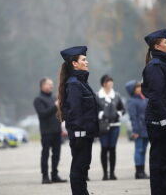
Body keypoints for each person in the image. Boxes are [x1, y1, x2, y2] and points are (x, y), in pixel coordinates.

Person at [142, 29, 166, 195]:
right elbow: (156, 97)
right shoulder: (156, 66)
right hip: (160, 123)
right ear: (157, 46)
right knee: (160, 163)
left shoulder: (165, 64)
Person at [57, 46, 98, 195]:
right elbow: (74, 112)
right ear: (74, 63)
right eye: (84, 59)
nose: (87, 62)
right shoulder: (74, 83)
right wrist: (80, 133)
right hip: (81, 134)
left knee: (82, 168)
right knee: (79, 169)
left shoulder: (80, 82)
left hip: (85, 134)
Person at [33, 78, 67, 184]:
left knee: (56, 154)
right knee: (45, 154)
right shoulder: (38, 99)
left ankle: (55, 175)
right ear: (42, 85)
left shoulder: (53, 97)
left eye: (52, 84)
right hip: (46, 132)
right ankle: (45, 176)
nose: (51, 86)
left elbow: (58, 114)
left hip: (57, 131)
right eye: (49, 84)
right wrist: (55, 106)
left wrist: (62, 127)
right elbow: (43, 114)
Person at [97, 74, 125, 180]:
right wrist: (100, 114)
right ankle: (105, 174)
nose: (111, 83)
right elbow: (94, 109)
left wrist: (118, 114)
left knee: (112, 149)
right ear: (104, 83)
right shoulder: (97, 95)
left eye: (111, 81)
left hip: (115, 126)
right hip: (103, 126)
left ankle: (112, 173)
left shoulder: (116, 95)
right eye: (109, 81)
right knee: (104, 148)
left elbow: (123, 109)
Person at [125, 80, 149, 179]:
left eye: (140, 87)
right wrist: (135, 131)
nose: (140, 89)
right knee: (138, 150)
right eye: (137, 87)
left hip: (146, 129)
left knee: (143, 150)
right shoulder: (132, 101)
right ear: (132, 90)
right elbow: (133, 117)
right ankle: (138, 172)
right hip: (138, 130)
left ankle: (142, 171)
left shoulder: (144, 99)